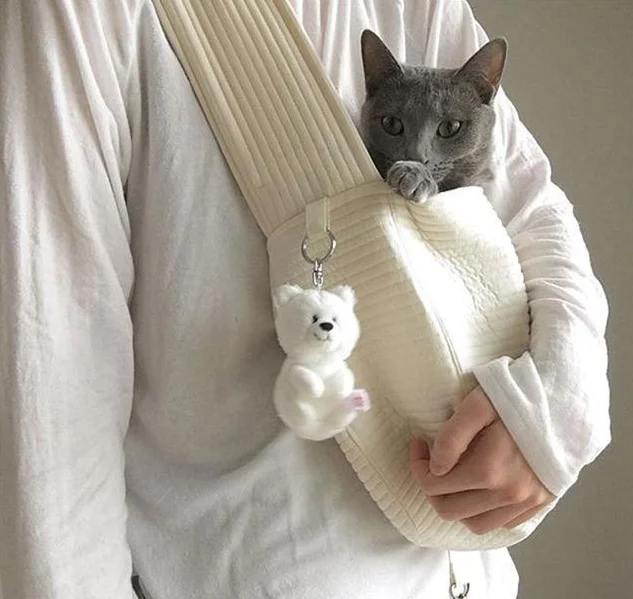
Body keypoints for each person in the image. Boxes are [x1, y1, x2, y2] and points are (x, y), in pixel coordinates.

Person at [0, 1, 610, 598]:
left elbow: (532, 208)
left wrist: (555, 409)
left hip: (467, 574)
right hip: (256, 569)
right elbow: (53, 362)